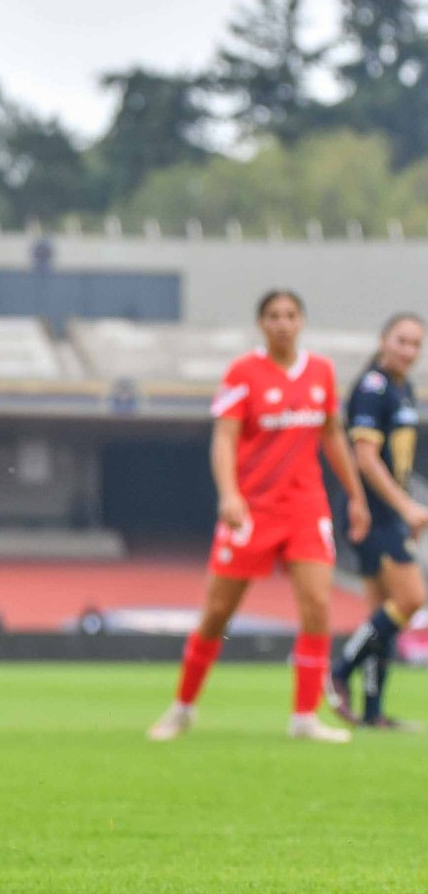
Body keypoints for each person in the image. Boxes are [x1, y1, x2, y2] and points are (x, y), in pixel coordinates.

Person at [148, 290, 370, 744]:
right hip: (252, 510)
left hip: (305, 508)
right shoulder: (243, 373)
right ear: (261, 324)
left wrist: (356, 496)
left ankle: (304, 717)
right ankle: (182, 707)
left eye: (290, 315)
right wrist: (229, 494)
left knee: (318, 606)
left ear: (302, 321)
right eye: (273, 316)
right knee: (217, 613)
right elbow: (225, 438)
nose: (282, 323)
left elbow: (333, 436)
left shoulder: (322, 372)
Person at [329, 312, 425, 729]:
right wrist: (406, 508)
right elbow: (365, 459)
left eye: (416, 344)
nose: (409, 350)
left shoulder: (405, 389)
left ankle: (372, 711)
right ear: (383, 340)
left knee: (381, 613)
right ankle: (338, 671)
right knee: (412, 599)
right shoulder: (373, 388)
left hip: (388, 513)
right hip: (373, 514)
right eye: (401, 340)